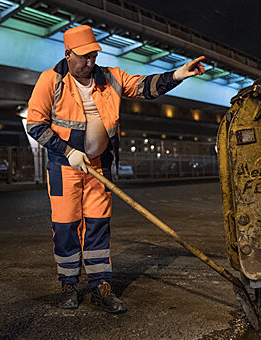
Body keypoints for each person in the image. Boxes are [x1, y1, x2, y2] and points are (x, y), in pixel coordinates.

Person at [26, 25, 205, 313]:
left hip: (100, 164)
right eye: (84, 57)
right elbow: (35, 123)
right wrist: (67, 151)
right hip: (65, 166)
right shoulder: (52, 80)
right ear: (68, 53)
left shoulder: (110, 77)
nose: (90, 62)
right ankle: (69, 284)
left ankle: (100, 285)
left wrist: (179, 74)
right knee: (65, 225)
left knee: (98, 223)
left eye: (94, 55)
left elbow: (145, 87)